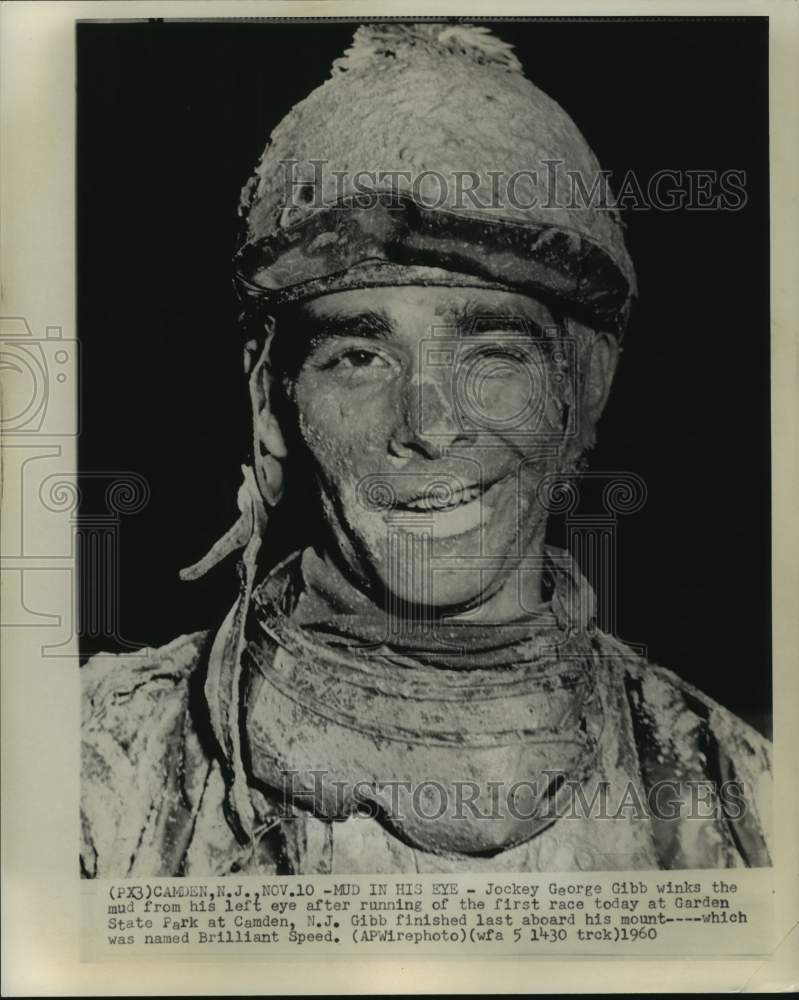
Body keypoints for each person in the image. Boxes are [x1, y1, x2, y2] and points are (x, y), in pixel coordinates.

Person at [81, 23, 771, 878]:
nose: (429, 426)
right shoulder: (93, 775)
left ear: (579, 392)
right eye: (359, 357)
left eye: (490, 354)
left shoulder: (744, 797)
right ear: (272, 401)